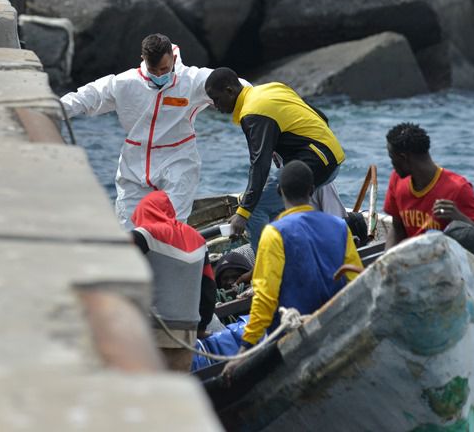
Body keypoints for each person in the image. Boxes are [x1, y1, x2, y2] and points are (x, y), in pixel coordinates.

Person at [61, 34, 214, 227]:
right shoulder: (124, 83)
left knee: (171, 228)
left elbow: (234, 85)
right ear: (143, 60)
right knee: (129, 228)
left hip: (178, 162)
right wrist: (51, 109)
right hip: (134, 165)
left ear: (174, 59)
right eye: (153, 70)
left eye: (164, 69)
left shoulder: (193, 80)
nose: (159, 75)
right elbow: (87, 97)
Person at [205, 68, 346, 252]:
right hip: (331, 157)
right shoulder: (271, 88)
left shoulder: (253, 113)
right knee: (273, 204)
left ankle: (267, 268)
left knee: (255, 210)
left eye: (216, 99)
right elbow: (321, 117)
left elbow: (260, 165)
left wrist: (244, 212)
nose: (215, 106)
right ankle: (293, 252)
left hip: (317, 163)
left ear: (230, 91)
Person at [236, 161, 363, 352]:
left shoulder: (274, 233)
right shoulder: (340, 227)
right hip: (337, 331)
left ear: (279, 192)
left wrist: (246, 346)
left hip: (293, 340)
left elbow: (265, 297)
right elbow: (355, 281)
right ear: (312, 190)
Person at [130, 191, 216, 372]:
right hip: (187, 333)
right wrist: (201, 326)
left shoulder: (142, 236)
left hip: (153, 332)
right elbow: (209, 288)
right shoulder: (199, 240)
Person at [384, 122, 474, 252]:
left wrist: (458, 216)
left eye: (392, 158)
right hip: (413, 261)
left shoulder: (457, 188)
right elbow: (398, 228)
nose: (392, 164)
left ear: (403, 158)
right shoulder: (397, 179)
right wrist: (385, 261)